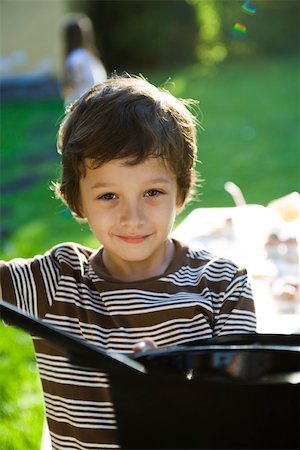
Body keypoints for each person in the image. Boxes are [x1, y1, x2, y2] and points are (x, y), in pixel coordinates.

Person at [0, 75, 256, 450]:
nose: (132, 217)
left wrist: (163, 385)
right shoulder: (56, 281)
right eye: (108, 196)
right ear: (77, 200)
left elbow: (243, 408)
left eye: (152, 192)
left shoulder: (223, 286)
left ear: (181, 192)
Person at [61, 13, 107, 106]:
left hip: (85, 103)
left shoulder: (75, 57)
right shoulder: (89, 56)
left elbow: (79, 80)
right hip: (98, 98)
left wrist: (67, 89)